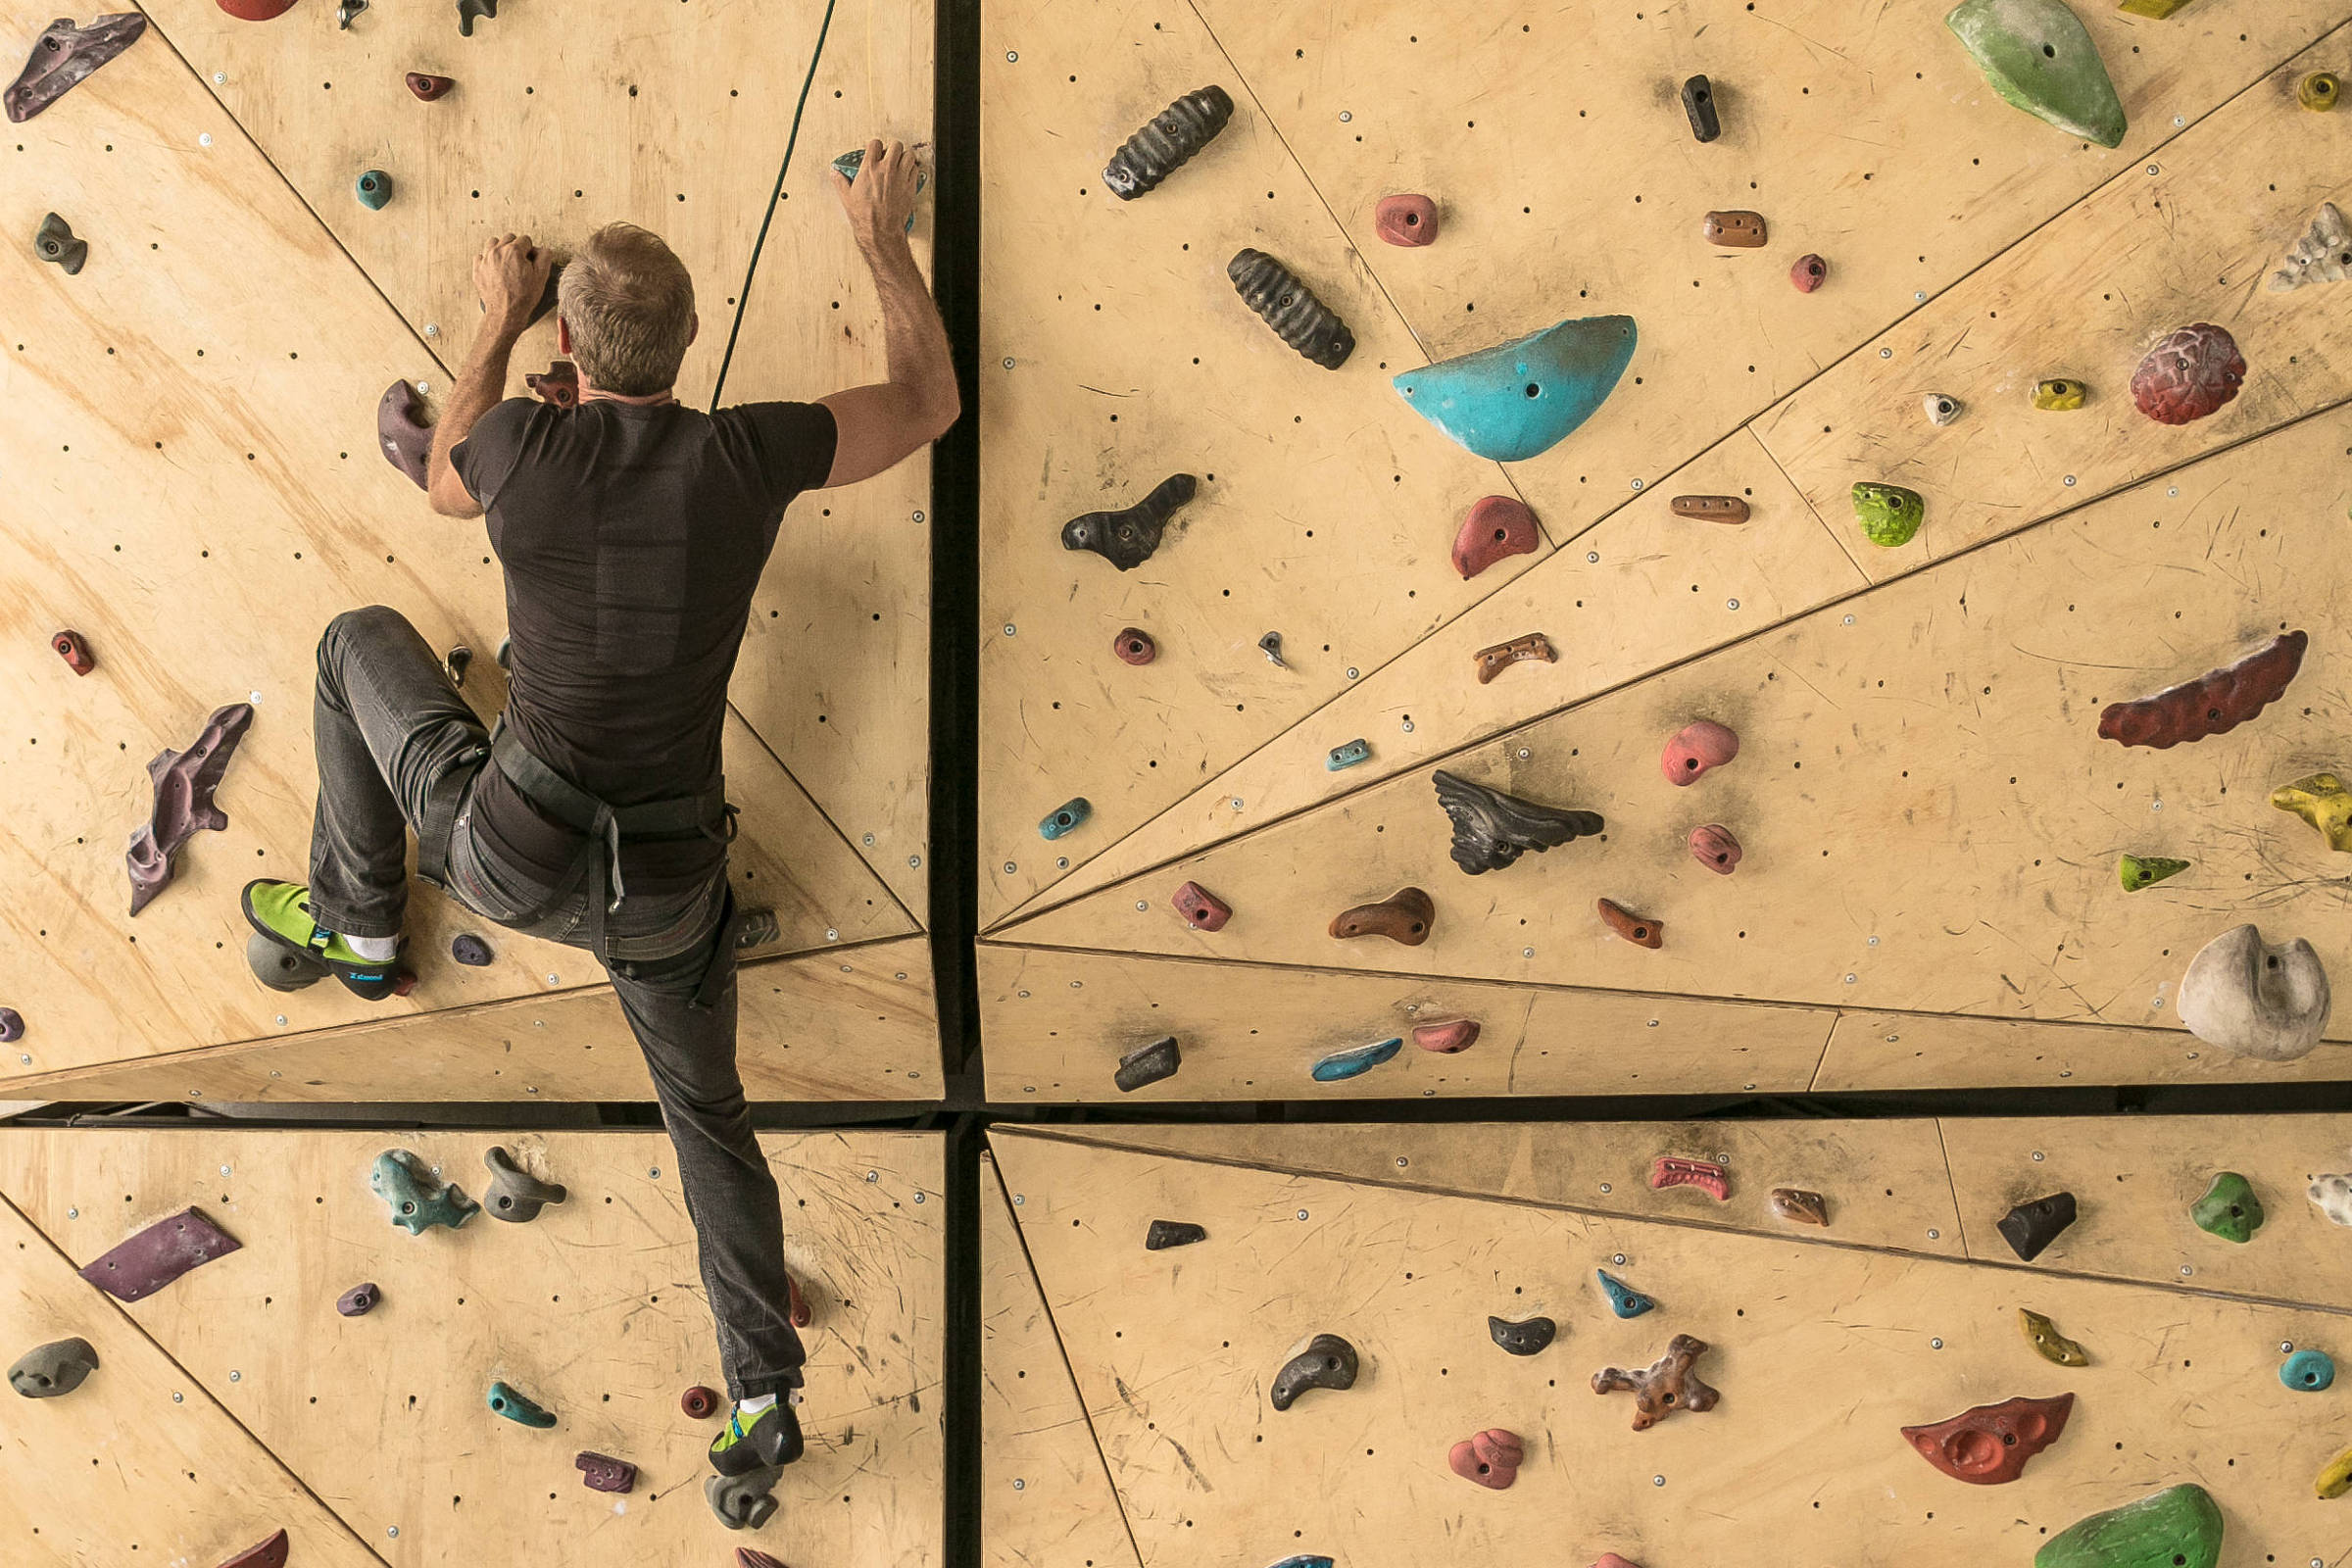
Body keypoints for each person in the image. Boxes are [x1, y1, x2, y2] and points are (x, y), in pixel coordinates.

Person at [239, 139, 955, 1481]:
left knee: (357, 644)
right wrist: (876, 236)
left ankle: (356, 923)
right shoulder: (748, 453)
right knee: (711, 1125)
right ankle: (759, 1399)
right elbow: (925, 403)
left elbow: (446, 474)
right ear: (690, 350)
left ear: (572, 341)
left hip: (505, 852)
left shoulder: (522, 445)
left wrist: (496, 324)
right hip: (667, 896)